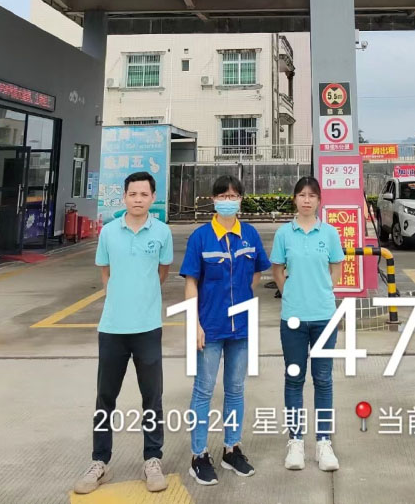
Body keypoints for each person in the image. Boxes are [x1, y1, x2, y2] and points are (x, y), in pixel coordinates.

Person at [73, 171, 173, 495]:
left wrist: (143, 297)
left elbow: (162, 272)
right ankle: (99, 461)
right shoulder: (109, 233)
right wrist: (120, 298)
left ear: (153, 197)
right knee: (105, 397)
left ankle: (153, 459)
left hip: (148, 328)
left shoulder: (162, 232)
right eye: (133, 194)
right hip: (112, 328)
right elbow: (106, 272)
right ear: (124, 197)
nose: (138, 199)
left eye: (144, 194)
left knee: (152, 397)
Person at [179, 175, 271, 486]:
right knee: (203, 390)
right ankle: (198, 455)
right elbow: (191, 282)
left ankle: (232, 449)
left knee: (235, 389)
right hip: (210, 327)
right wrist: (194, 324)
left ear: (241, 199)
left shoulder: (250, 235)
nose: (228, 200)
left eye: (233, 196)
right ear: (214, 200)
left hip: (241, 328)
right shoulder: (201, 237)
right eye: (222, 195)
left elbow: (256, 273)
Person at [271, 176, 345, 473]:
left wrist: (324, 291)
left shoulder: (329, 233)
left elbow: (336, 268)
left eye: (311, 195)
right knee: (294, 378)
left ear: (319, 200)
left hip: (324, 316)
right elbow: (277, 269)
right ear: (294, 199)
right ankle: (296, 442)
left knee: (323, 379)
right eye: (301, 195)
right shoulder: (283, 234)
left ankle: (324, 443)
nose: (306, 200)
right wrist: (289, 292)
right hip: (293, 317)